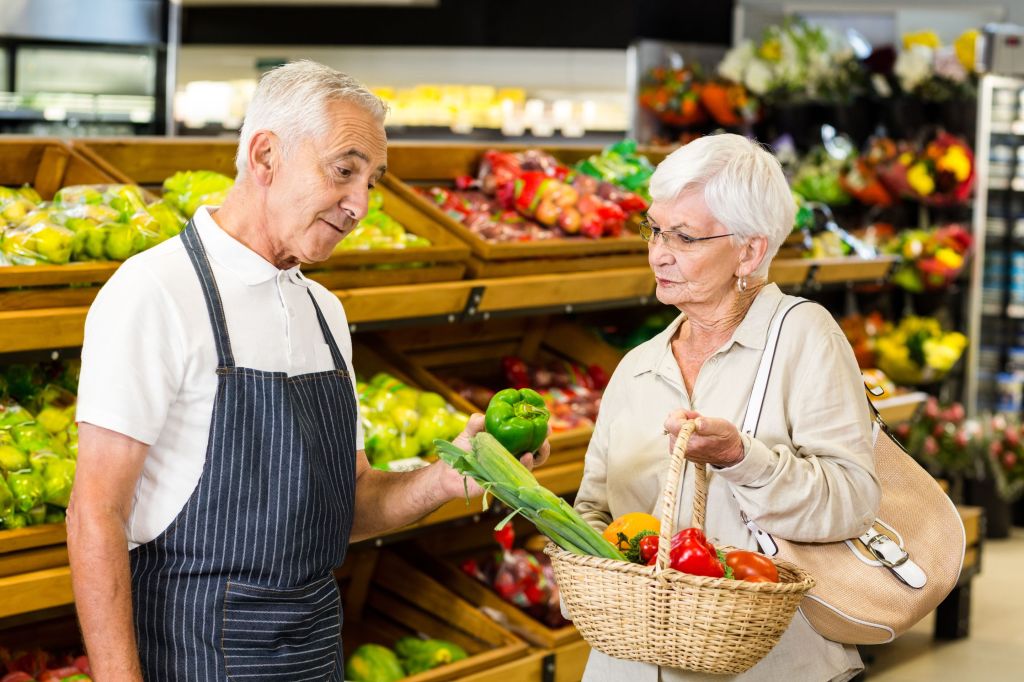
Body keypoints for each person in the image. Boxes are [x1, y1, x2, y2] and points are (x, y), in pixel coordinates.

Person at [67, 61, 549, 682]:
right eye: (344, 171)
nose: (361, 205)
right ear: (265, 156)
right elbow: (94, 514)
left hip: (314, 652)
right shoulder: (154, 292)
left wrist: (453, 474)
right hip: (192, 655)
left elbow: (346, 505)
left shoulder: (323, 310)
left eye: (372, 182)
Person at [574, 133, 881, 682]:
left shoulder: (804, 337)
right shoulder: (637, 367)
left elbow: (853, 502)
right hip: (629, 666)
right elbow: (595, 508)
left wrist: (743, 458)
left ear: (750, 250)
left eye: (685, 237)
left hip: (770, 666)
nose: (658, 252)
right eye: (654, 228)